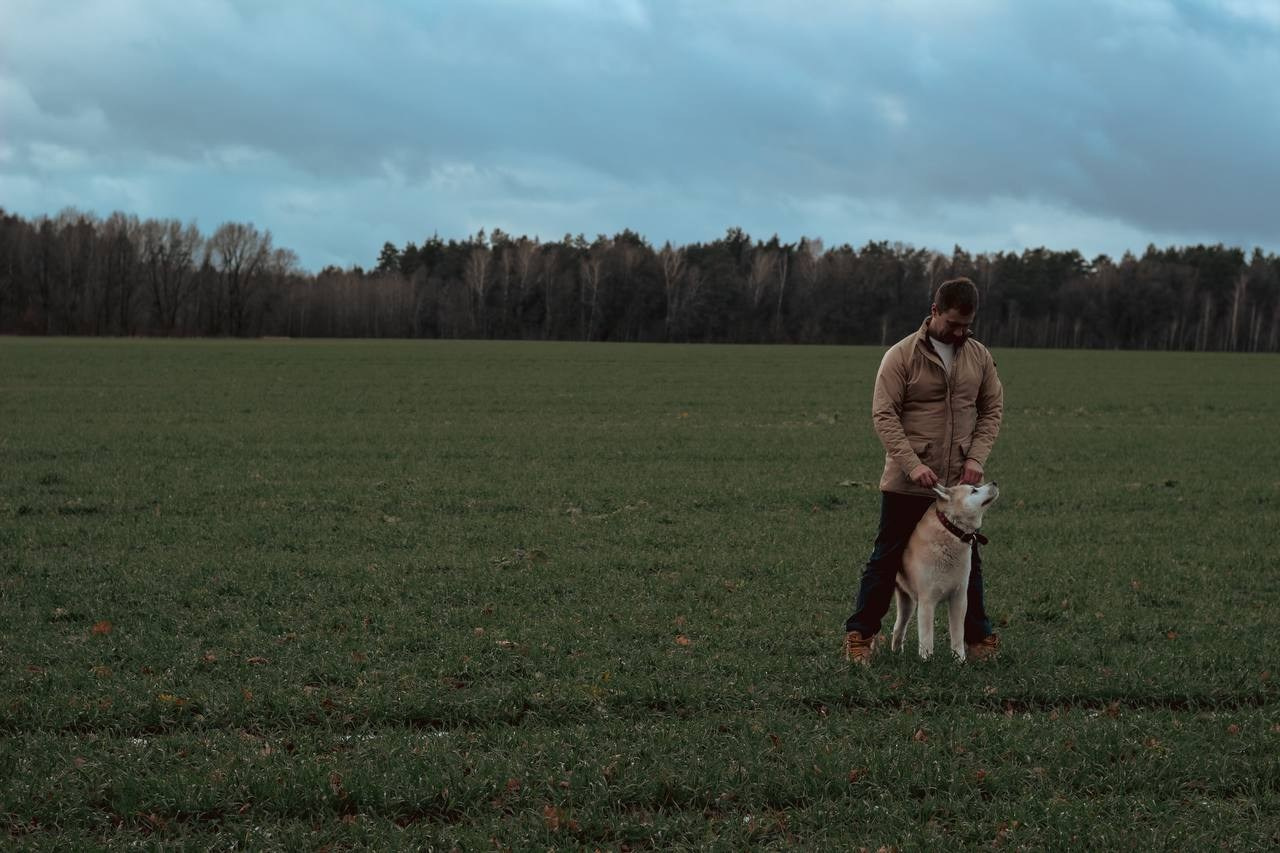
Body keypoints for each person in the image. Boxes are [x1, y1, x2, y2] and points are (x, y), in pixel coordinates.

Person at [843, 277, 1004, 665]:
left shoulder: (979, 356)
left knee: (969, 565)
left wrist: (976, 458)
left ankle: (978, 639)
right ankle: (860, 637)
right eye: (953, 324)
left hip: (957, 487)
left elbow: (991, 410)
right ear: (934, 312)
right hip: (906, 484)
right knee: (887, 558)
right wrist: (913, 466)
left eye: (967, 325)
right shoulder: (900, 356)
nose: (960, 332)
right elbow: (884, 416)